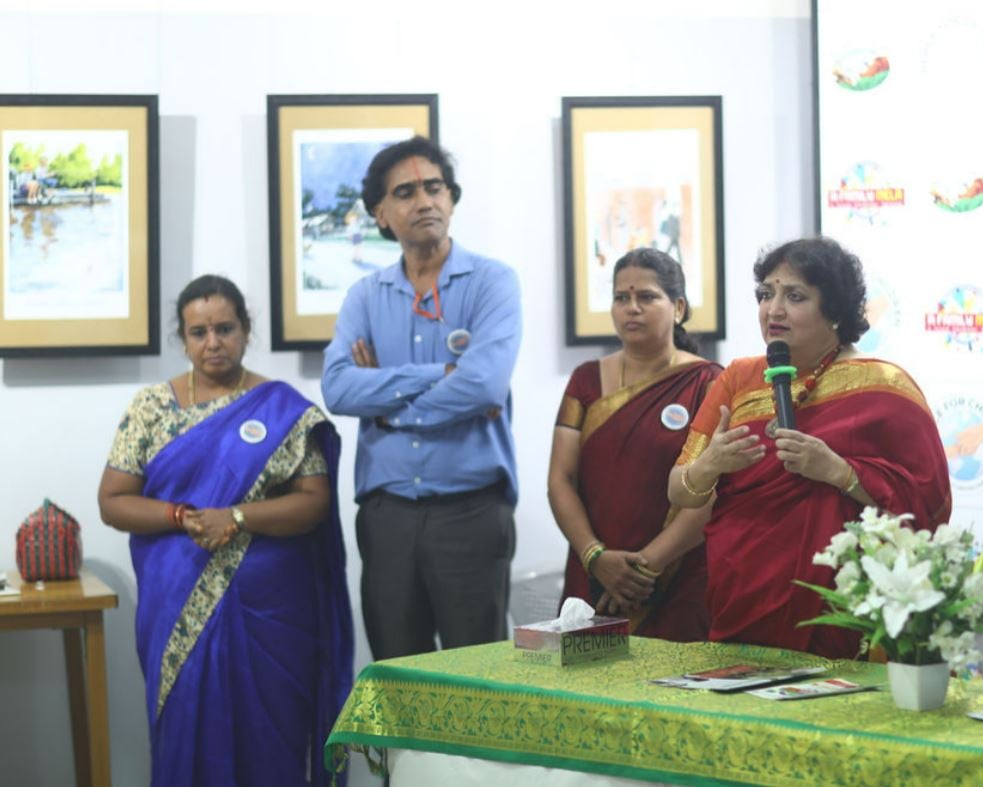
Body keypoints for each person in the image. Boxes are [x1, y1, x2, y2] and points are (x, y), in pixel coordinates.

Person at [97, 275, 354, 787]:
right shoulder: (150, 408)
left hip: (273, 606)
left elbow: (314, 502)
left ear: (245, 329)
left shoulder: (285, 411)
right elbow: (113, 500)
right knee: (186, 720)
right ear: (183, 337)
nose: (212, 342)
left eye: (224, 328)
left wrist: (235, 518)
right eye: (198, 332)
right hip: (176, 599)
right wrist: (180, 516)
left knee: (272, 731)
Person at [666, 237, 951, 659]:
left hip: (841, 605)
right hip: (742, 593)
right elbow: (678, 490)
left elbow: (928, 502)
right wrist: (709, 465)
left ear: (834, 309)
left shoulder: (885, 387)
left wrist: (840, 472)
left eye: (794, 296)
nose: (773, 309)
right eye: (766, 294)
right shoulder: (738, 380)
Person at [322, 136, 521, 661]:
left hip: (472, 511)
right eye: (406, 192)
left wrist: (386, 406)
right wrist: (442, 372)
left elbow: (483, 385)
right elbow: (338, 387)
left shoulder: (492, 283)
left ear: (452, 199)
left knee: (477, 685)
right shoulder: (364, 297)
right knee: (398, 679)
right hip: (388, 518)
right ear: (381, 214)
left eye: (434, 187)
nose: (425, 201)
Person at [549, 248, 720, 641]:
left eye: (647, 297)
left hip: (677, 577)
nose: (632, 308)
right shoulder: (586, 380)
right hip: (592, 574)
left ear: (677, 307)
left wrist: (645, 568)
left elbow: (714, 492)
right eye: (621, 298)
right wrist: (595, 556)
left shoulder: (708, 383)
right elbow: (560, 478)